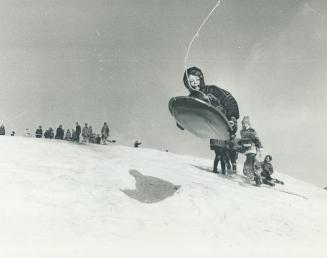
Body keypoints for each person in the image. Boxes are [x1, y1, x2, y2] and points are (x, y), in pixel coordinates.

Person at [239, 116, 264, 183]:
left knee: (248, 164)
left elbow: (256, 140)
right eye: (242, 123)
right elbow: (243, 140)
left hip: (252, 150)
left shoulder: (252, 131)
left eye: (245, 123)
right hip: (247, 151)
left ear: (248, 124)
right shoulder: (242, 131)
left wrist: (260, 147)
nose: (244, 125)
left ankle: (250, 178)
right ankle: (258, 179)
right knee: (250, 164)